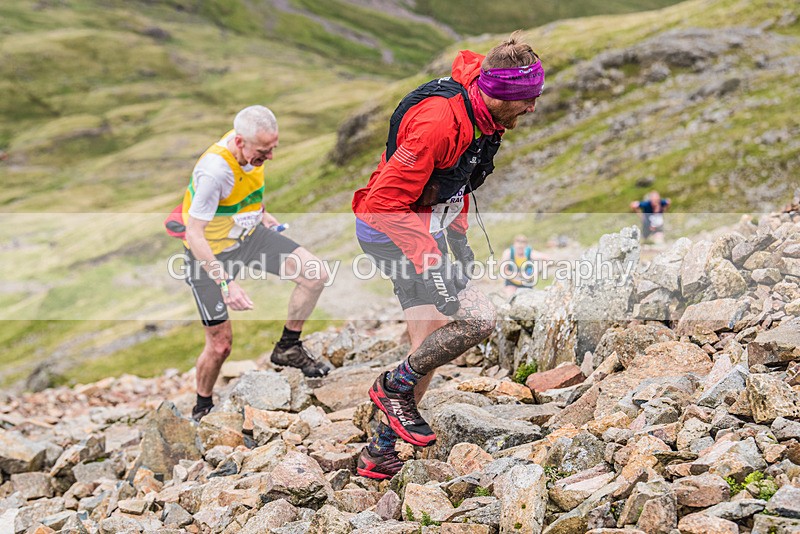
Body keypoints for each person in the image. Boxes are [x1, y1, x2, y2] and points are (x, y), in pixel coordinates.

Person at [352, 32, 545, 479]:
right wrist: (430, 257)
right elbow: (383, 203)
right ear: (499, 93)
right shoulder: (440, 121)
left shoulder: (483, 112)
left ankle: (380, 449)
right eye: (527, 99)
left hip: (423, 227)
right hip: (391, 230)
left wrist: (457, 241)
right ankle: (393, 386)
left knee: (428, 344)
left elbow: (455, 181)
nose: (532, 108)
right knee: (478, 320)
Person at [176, 105, 329, 421]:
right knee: (221, 346)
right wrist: (225, 282)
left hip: (248, 238)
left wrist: (260, 212)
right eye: (263, 151)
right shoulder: (214, 170)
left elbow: (248, 186)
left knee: (316, 274)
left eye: (273, 148)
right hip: (209, 253)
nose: (270, 157)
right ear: (239, 142)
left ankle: (288, 347)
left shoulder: (251, 150)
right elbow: (194, 233)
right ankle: (202, 406)